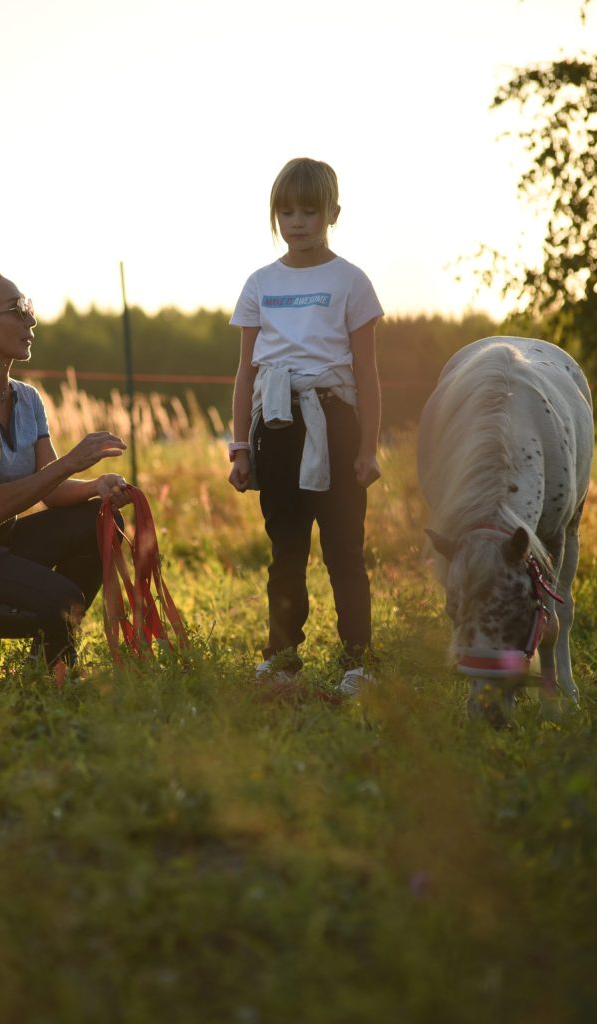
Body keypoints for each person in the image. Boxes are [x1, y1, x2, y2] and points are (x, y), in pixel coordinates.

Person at [0, 269, 130, 675]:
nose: (30, 319)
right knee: (62, 599)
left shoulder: (27, 399)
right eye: (18, 309)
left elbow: (51, 489)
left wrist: (95, 486)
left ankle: (44, 666)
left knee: (102, 521)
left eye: (28, 307)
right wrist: (72, 460)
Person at [228, 157, 384, 697]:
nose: (297, 222)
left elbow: (366, 371)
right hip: (276, 424)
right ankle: (282, 655)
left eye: (309, 211)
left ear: (332, 213)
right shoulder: (260, 283)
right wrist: (240, 447)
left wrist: (368, 447)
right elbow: (245, 372)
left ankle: (358, 660)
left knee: (345, 550)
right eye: (286, 211)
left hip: (335, 423)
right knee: (286, 550)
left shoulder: (350, 281)